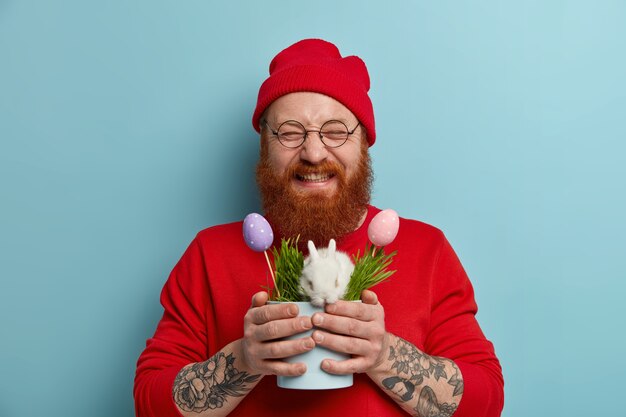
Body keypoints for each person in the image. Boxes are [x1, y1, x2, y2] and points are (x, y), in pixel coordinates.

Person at [134, 38, 504, 417]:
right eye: (290, 132)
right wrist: (244, 359)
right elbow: (149, 403)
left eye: (336, 131)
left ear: (363, 143)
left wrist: (383, 354)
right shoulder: (209, 254)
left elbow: (486, 403)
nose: (313, 153)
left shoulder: (427, 250)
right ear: (265, 146)